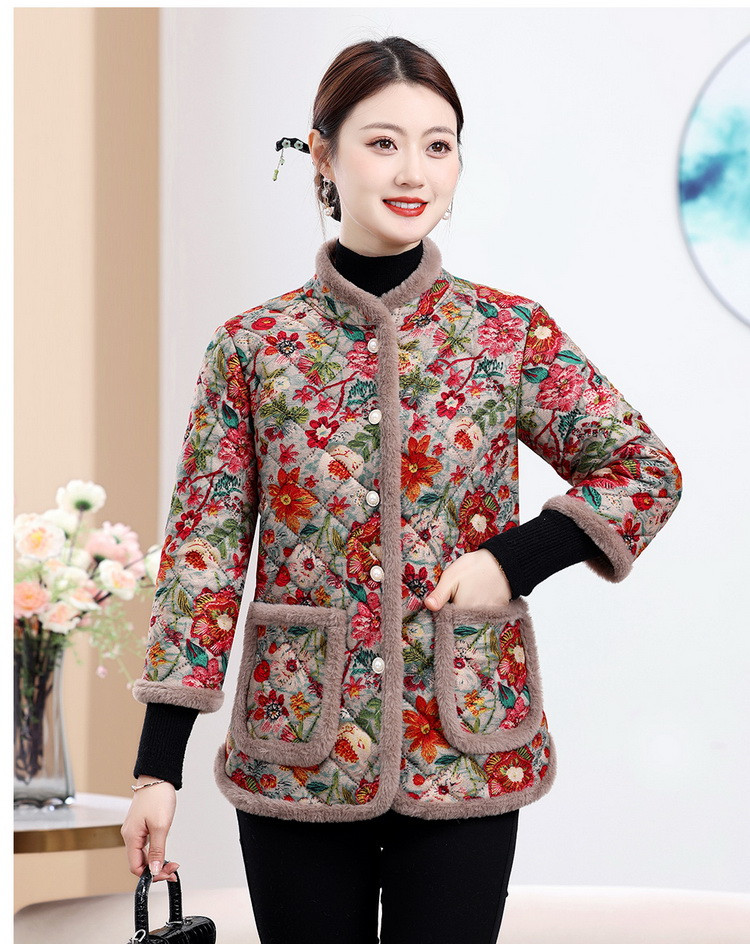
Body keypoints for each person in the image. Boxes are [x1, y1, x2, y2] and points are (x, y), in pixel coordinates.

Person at [121, 35, 683, 944]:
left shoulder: (507, 334)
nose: (414, 170)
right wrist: (159, 766)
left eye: (438, 144)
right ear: (323, 154)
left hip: (465, 745)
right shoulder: (252, 348)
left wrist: (514, 560)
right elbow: (204, 553)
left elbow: (642, 470)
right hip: (296, 744)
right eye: (383, 142)